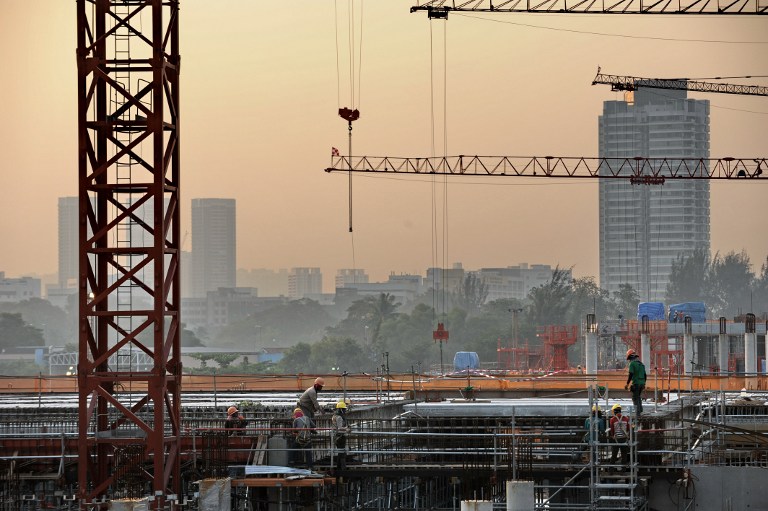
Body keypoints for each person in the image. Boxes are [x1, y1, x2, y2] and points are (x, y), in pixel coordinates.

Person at [624, 349, 646, 416]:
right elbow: (645, 375)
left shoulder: (632, 364)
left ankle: (638, 414)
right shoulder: (641, 364)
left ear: (630, 357)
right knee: (638, 396)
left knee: (635, 398)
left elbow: (631, 374)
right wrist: (644, 383)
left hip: (636, 383)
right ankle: (640, 411)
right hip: (642, 383)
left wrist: (627, 384)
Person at [608, 404, 631, 468]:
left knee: (614, 455)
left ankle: (611, 470)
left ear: (614, 411)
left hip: (616, 439)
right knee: (624, 455)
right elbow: (628, 428)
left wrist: (612, 435)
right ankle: (623, 470)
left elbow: (612, 430)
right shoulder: (626, 418)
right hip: (624, 439)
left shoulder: (612, 419)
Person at [332, 400, 352, 470]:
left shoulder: (335, 416)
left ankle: (339, 467)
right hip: (340, 436)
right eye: (344, 409)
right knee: (342, 452)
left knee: (341, 452)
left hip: (337, 436)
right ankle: (342, 468)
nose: (345, 410)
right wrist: (347, 429)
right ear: (340, 409)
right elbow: (340, 428)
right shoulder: (339, 417)